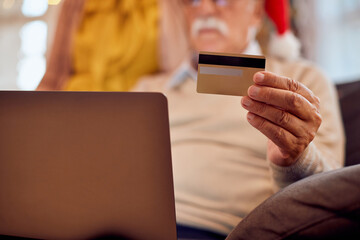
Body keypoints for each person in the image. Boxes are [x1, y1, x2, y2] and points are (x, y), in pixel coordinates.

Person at [134, 0, 345, 239]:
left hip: (223, 231)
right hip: (132, 225)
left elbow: (329, 188)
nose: (204, 9)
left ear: (256, 12)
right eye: (192, 0)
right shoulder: (147, 88)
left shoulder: (303, 80)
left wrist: (295, 157)